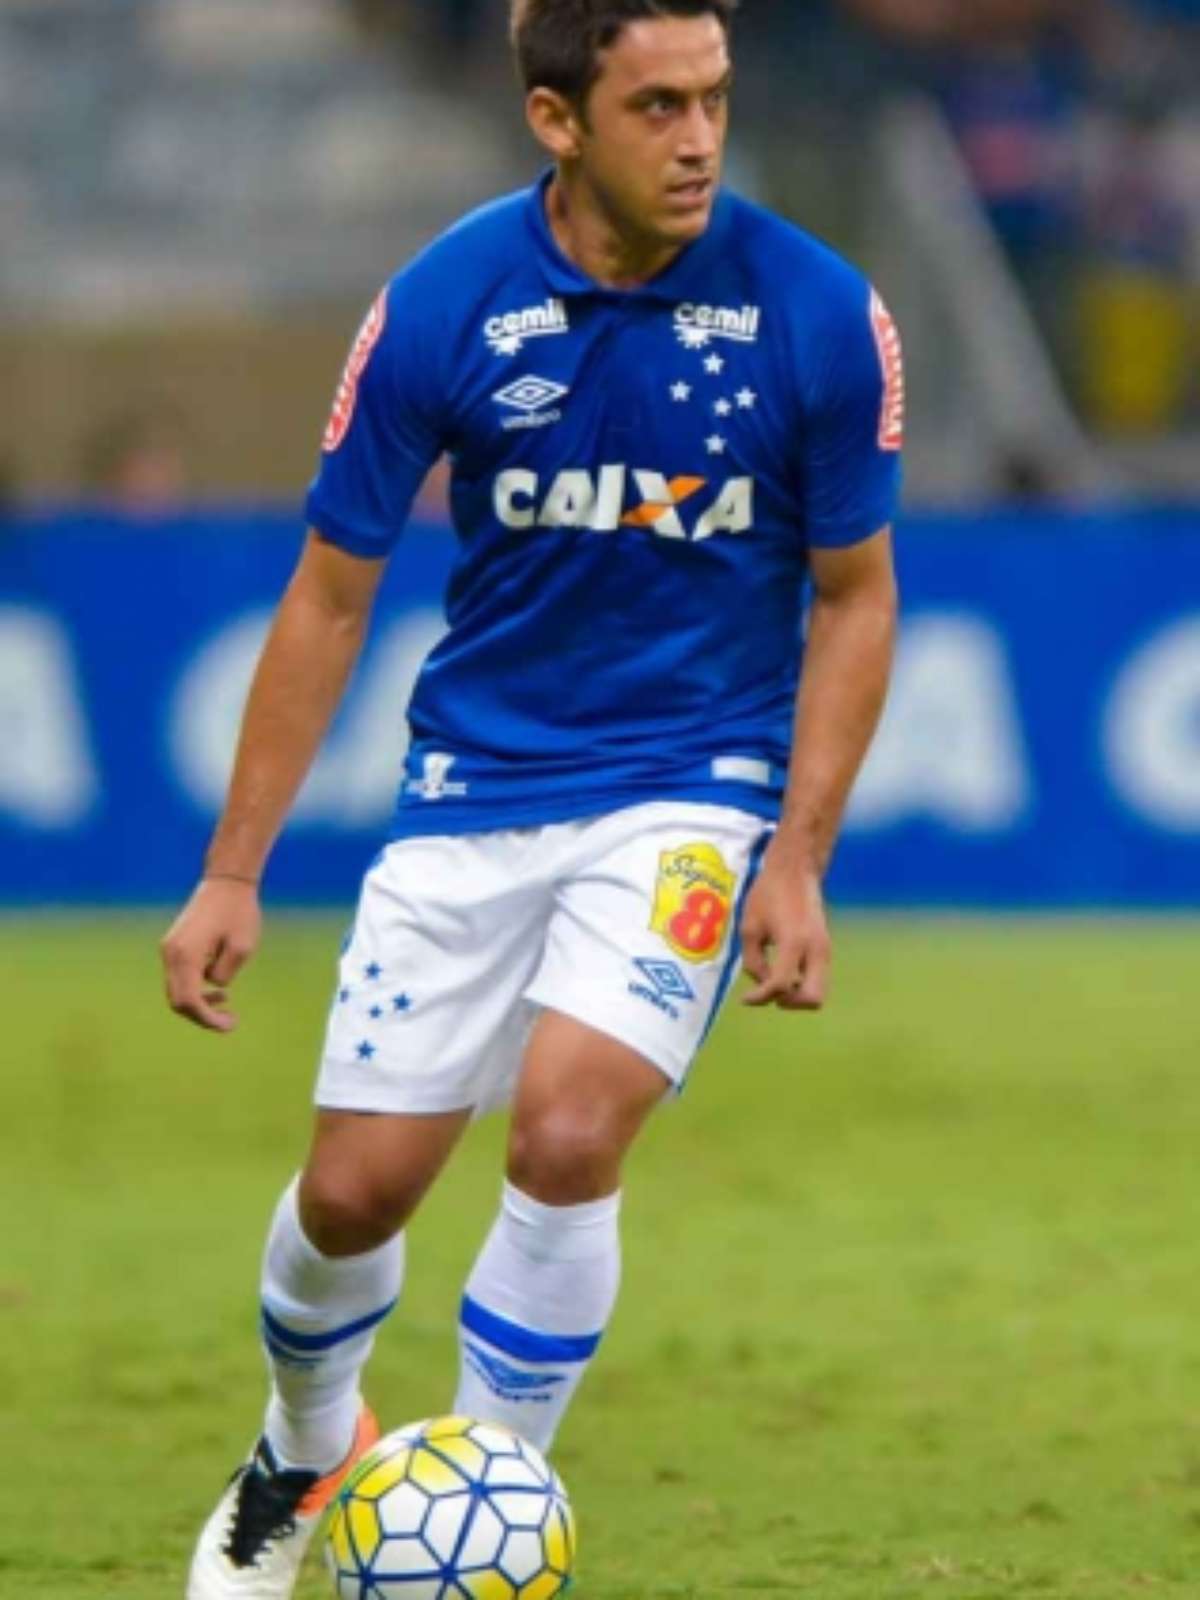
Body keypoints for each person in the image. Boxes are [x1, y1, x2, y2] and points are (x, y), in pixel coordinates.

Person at [161, 1, 903, 1594]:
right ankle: (305, 1449)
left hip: (689, 790)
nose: (700, 136)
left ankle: (487, 1512)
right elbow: (328, 600)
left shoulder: (816, 310)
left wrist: (799, 859)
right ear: (558, 123)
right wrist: (233, 870)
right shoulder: (447, 301)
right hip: (471, 790)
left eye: (712, 97)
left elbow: (855, 597)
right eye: (655, 106)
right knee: (354, 1195)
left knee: (568, 1134)